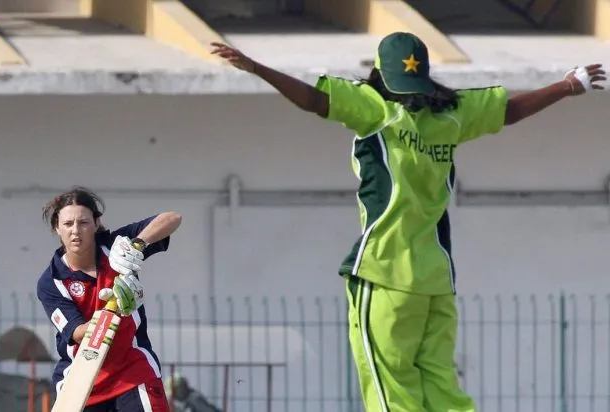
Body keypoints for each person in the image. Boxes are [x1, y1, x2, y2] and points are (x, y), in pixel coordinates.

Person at [211, 32, 604, 412]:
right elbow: (509, 111)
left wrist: (257, 67)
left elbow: (315, 99)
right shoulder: (452, 112)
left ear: (380, 74)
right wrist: (568, 86)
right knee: (442, 390)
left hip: (384, 271)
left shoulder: (376, 107)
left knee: (390, 388)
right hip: (436, 278)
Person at [36, 186, 182, 412]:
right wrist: (113, 310)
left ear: (96, 223)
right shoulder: (51, 281)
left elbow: (172, 218)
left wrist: (137, 244)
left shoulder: (116, 247)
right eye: (68, 224)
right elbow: (76, 332)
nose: (76, 231)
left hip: (132, 369)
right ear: (57, 227)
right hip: (83, 379)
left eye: (84, 222)